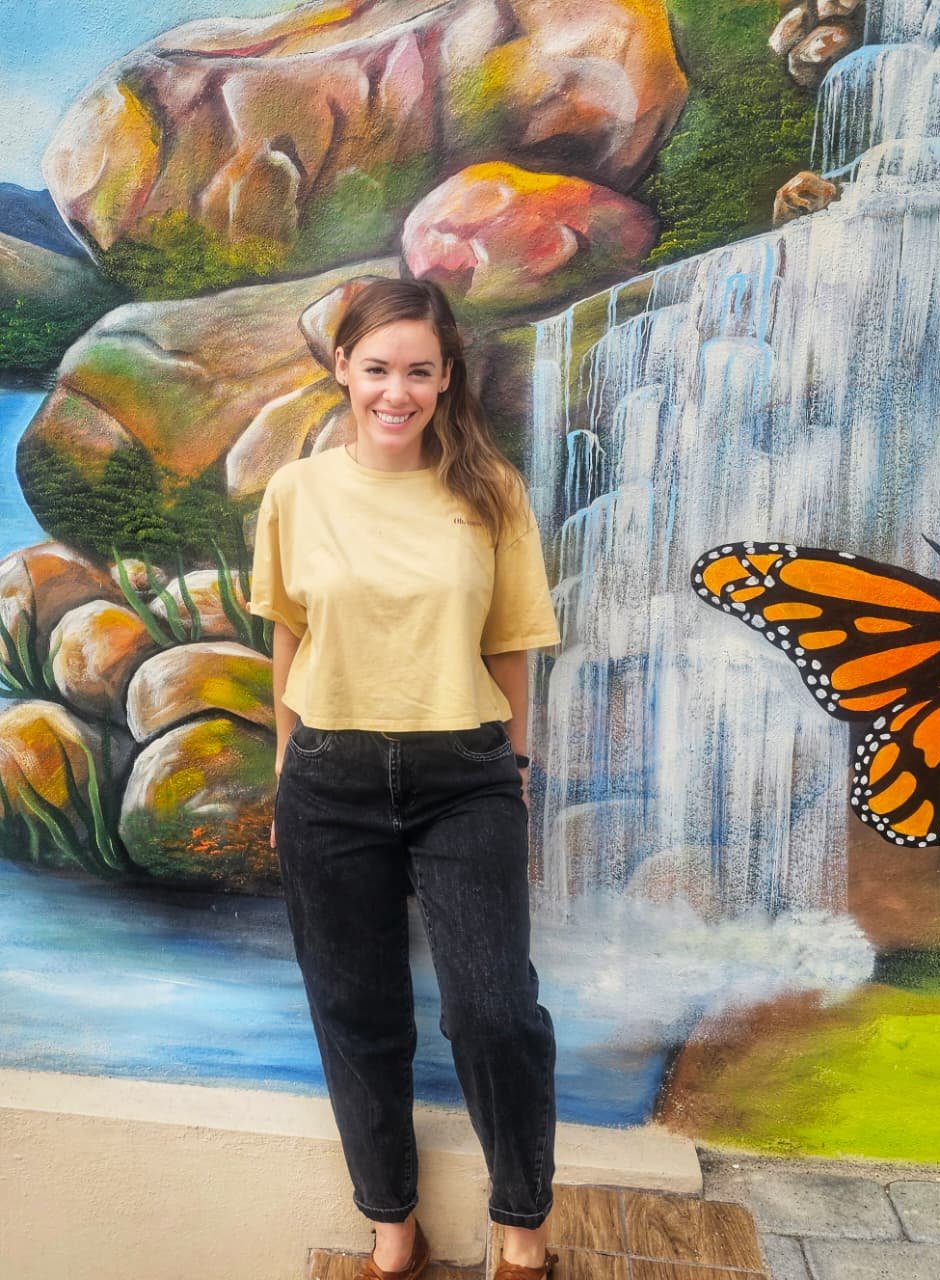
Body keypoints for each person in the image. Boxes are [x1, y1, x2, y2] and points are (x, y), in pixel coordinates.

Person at [250, 278, 561, 1280]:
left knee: (493, 1006)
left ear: (446, 377)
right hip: (328, 778)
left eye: (418, 371)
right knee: (355, 1008)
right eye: (377, 367)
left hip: (462, 772)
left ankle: (522, 1223)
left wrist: (514, 773)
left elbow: (513, 645)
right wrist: (287, 765)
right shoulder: (297, 491)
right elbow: (288, 634)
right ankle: (392, 1223)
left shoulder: (489, 488)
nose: (397, 391)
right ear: (341, 367)